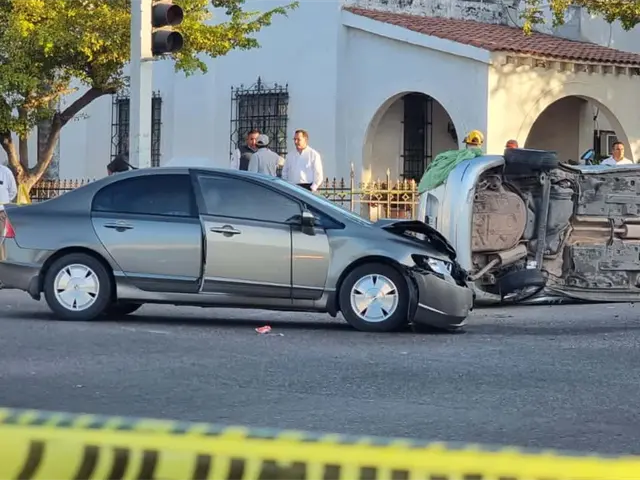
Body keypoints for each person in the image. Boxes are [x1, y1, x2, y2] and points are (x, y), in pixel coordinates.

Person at [0, 158, 17, 232]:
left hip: (1, 213)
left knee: (2, 237)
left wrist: (4, 204)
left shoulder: (5, 172)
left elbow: (13, 191)